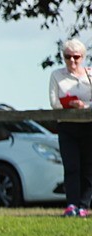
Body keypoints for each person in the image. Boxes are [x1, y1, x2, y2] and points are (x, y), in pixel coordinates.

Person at [49, 39, 92, 217]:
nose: (72, 61)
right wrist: (69, 104)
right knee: (71, 166)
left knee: (89, 167)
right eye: (68, 57)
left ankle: (84, 204)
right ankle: (72, 204)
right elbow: (54, 102)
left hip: (88, 125)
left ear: (82, 57)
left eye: (76, 57)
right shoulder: (56, 75)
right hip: (67, 126)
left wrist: (84, 106)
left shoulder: (90, 74)